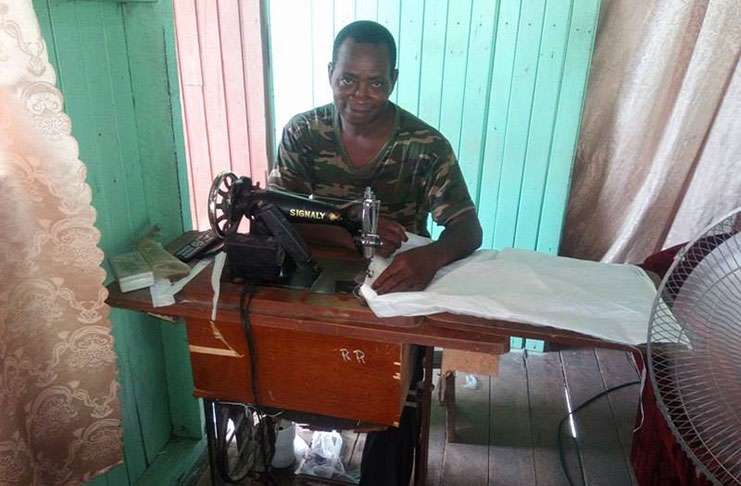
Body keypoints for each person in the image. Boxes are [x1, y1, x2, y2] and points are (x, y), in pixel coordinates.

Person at [268, 20, 482, 485]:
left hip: (397, 283)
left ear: (393, 80)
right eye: (348, 79)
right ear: (330, 73)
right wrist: (342, 225)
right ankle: (280, 444)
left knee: (396, 399)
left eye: (376, 82)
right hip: (318, 278)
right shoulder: (304, 133)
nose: (360, 95)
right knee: (277, 364)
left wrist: (431, 257)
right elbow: (274, 211)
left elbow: (467, 228)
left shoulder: (424, 147)